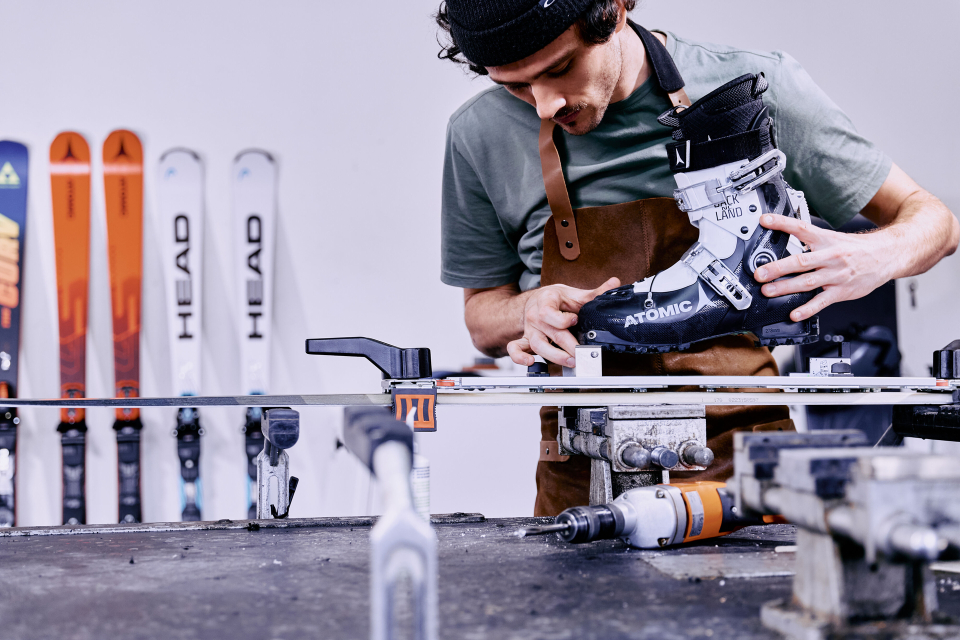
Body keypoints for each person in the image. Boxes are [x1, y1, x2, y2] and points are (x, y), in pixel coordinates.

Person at [436, 0, 959, 516]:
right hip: (582, 474)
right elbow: (482, 317)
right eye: (516, 86)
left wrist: (872, 254)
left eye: (559, 68)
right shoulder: (478, 134)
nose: (544, 104)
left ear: (614, 11)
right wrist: (526, 311)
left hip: (750, 471)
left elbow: (936, 222)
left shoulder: (748, 90)